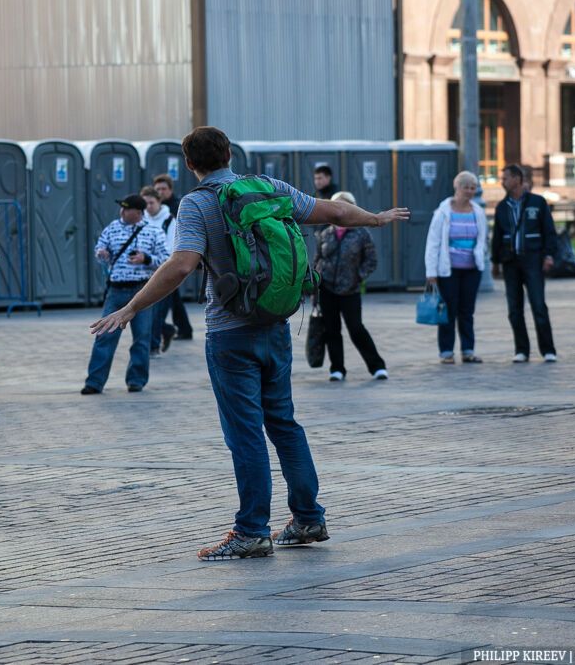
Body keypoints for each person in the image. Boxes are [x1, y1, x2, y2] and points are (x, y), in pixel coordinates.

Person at [90, 127, 408, 560]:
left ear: (190, 164)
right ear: (228, 155)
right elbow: (331, 211)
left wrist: (130, 308)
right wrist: (375, 218)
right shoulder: (268, 188)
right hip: (275, 325)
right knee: (284, 424)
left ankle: (251, 531)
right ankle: (309, 518)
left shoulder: (197, 203)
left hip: (229, 332)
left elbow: (182, 264)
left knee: (245, 435)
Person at [82, 194, 168, 395]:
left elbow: (166, 259)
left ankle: (136, 380)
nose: (121, 211)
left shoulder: (154, 231)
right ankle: (94, 382)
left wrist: (146, 259)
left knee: (142, 337)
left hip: (142, 291)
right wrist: (102, 254)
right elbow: (99, 248)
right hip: (116, 289)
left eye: (126, 208)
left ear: (138, 213)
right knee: (104, 335)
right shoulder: (112, 227)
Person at [314, 191, 388, 381]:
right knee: (331, 330)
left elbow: (371, 260)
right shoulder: (325, 233)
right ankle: (337, 369)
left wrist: (358, 277)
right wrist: (315, 282)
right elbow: (318, 260)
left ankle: (377, 366)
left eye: (344, 207)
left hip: (350, 290)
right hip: (327, 289)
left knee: (356, 328)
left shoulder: (362, 233)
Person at [491, 164, 558, 363]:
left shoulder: (537, 203)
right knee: (514, 308)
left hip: (533, 260)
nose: (503, 182)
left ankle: (548, 350)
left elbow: (549, 231)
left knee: (538, 305)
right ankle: (521, 350)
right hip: (511, 262)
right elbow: (497, 236)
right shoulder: (502, 207)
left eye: (506, 178)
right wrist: (495, 262)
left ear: (517, 179)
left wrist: (548, 255)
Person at [425, 171, 489, 364]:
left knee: (467, 311)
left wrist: (482, 254)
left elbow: (483, 238)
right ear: (457, 187)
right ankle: (446, 352)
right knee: (448, 310)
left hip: (472, 269)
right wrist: (431, 272)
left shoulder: (478, 211)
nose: (470, 191)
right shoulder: (443, 212)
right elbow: (433, 243)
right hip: (448, 270)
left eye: (473, 187)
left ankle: (468, 350)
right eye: (466, 187)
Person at [153, 175, 194, 340]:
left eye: (164, 189)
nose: (161, 192)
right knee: (172, 297)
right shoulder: (155, 207)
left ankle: (161, 329)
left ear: (170, 190)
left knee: (165, 296)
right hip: (162, 256)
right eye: (158, 189)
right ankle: (184, 329)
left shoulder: (178, 206)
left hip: (174, 255)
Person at [141, 186, 175, 355]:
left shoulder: (170, 220)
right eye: (145, 203)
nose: (148, 206)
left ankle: (153, 346)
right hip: (144, 272)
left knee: (157, 312)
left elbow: (171, 249)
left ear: (159, 202)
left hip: (164, 271)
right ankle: (165, 331)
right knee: (147, 311)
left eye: (151, 203)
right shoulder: (142, 221)